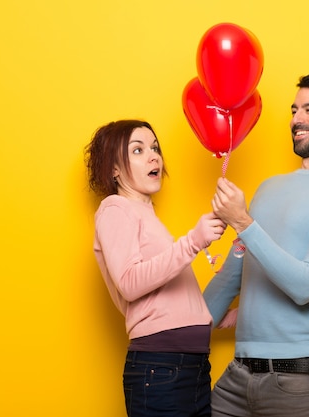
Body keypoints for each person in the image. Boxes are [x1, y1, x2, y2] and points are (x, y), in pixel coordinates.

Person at [203, 72, 309, 417]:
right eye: (294, 110)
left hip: (300, 380)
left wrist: (244, 222)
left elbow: (304, 284)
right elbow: (235, 273)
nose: (296, 120)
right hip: (239, 375)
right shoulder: (269, 187)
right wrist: (182, 332)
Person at [84, 119, 226, 417]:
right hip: (161, 369)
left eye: (155, 148)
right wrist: (194, 241)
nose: (153, 156)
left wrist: (216, 316)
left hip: (190, 367)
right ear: (114, 170)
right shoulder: (115, 208)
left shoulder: (147, 216)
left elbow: (169, 301)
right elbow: (130, 282)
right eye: (138, 150)